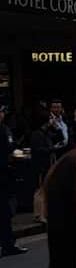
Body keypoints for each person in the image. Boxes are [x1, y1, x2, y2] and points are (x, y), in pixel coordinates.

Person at [0, 100, 28, 256]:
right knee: (5, 211)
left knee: (5, 212)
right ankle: (7, 244)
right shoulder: (3, 131)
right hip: (3, 175)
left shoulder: (5, 129)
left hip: (5, 175)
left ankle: (7, 244)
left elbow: (12, 149)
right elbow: (10, 151)